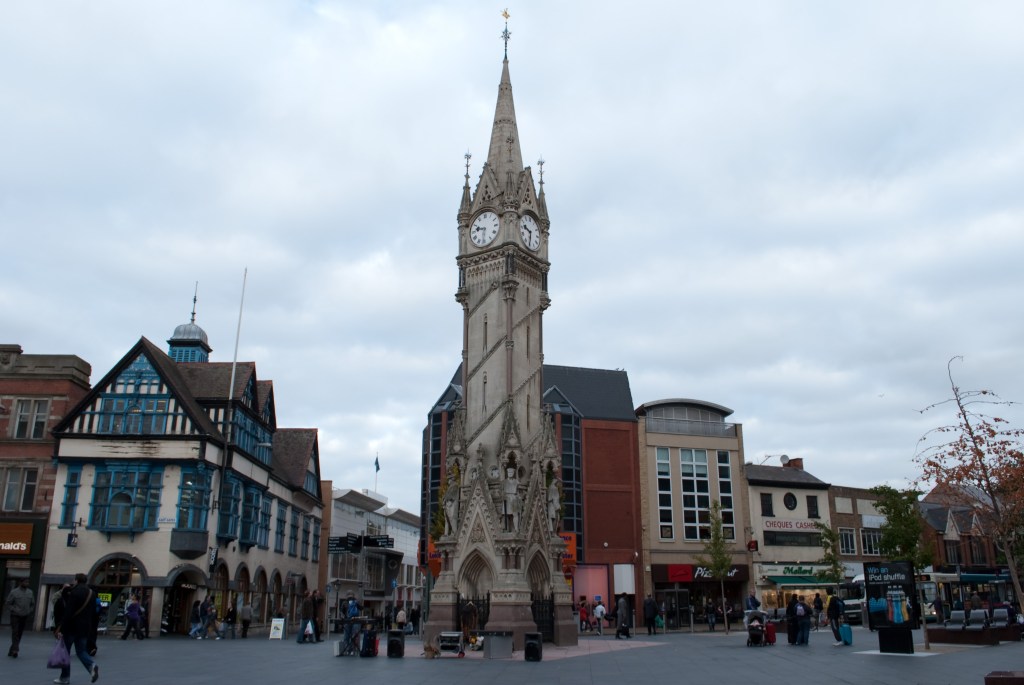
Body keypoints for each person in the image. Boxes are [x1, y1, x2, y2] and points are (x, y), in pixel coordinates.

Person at [55, 573, 99, 684]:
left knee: (65, 652)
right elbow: (93, 612)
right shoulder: (92, 593)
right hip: (85, 628)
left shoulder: (74, 592)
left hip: (71, 627)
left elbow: (68, 612)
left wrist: (61, 629)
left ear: (76, 580)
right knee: (81, 651)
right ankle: (91, 665)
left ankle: (65, 678)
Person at [5, 577, 34, 658]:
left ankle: (11, 650)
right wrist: (14, 609)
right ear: (20, 583)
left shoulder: (30, 592)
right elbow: (8, 603)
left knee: (19, 633)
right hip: (15, 615)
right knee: (15, 632)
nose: (27, 584)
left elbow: (32, 604)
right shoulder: (14, 592)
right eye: (25, 582)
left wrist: (29, 610)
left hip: (24, 615)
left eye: (28, 582)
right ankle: (15, 650)